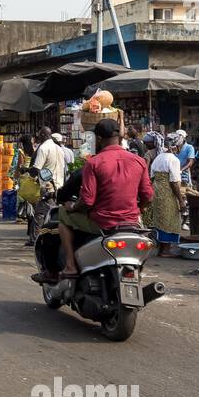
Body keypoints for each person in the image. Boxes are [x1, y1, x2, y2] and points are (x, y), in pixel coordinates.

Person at [57, 119, 153, 278]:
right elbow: (148, 196)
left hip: (103, 223)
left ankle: (70, 266)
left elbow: (87, 200)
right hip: (132, 222)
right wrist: (139, 210)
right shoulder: (139, 161)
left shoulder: (94, 163)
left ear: (99, 139)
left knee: (62, 215)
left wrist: (72, 207)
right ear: (120, 138)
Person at [148, 133, 187, 255]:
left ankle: (161, 248)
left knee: (160, 219)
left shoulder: (159, 158)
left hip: (157, 192)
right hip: (168, 193)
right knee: (169, 220)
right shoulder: (174, 160)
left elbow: (152, 177)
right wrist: (181, 200)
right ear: (176, 146)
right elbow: (174, 182)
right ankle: (165, 250)